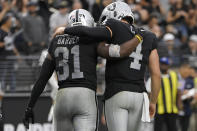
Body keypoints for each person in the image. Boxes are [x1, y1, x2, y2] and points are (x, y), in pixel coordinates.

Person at [23, 8, 144, 131]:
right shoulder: (93, 40)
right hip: (85, 95)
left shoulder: (56, 41)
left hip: (62, 97)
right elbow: (118, 52)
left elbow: (42, 79)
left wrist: (29, 107)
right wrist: (138, 37)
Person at [55, 2, 161, 131]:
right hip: (139, 95)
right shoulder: (148, 35)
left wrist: (65, 29)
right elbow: (156, 74)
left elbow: (88, 32)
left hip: (117, 92)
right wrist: (153, 101)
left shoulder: (114, 25)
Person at [154, 57, 182, 131]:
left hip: (172, 109)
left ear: (168, 65)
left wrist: (179, 103)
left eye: (165, 64)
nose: (163, 66)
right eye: (162, 64)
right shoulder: (155, 75)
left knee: (172, 128)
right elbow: (150, 92)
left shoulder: (175, 75)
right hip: (159, 109)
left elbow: (179, 90)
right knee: (158, 129)